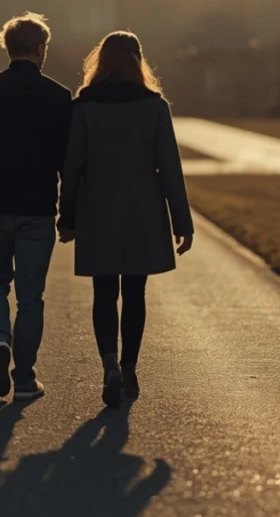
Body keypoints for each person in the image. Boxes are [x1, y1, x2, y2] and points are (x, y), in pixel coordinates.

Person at [57, 31, 194, 408]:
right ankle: (129, 366)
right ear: (138, 61)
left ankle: (108, 364)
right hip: (143, 209)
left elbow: (72, 167)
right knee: (135, 291)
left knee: (104, 291)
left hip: (97, 208)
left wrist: (67, 217)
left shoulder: (84, 107)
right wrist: (182, 223)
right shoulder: (154, 107)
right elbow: (170, 168)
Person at [0, 12, 73, 401]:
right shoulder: (58, 97)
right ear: (40, 50)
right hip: (37, 209)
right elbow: (68, 162)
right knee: (30, 297)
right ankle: (23, 378)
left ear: (8, 48)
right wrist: (69, 214)